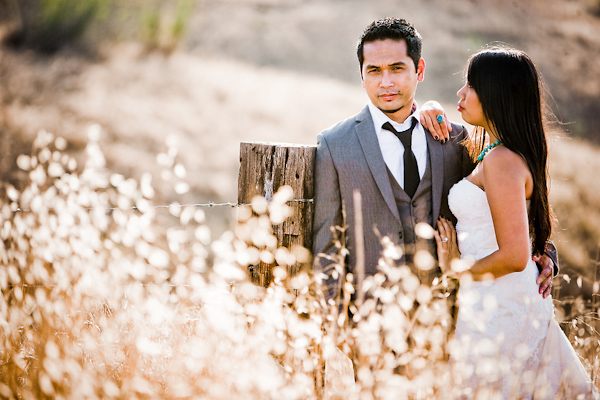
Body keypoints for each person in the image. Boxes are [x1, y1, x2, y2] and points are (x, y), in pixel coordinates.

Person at [311, 17, 556, 306]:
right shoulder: (335, 144)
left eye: (397, 68)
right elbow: (326, 250)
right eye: (374, 70)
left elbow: (511, 204)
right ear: (362, 76)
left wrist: (544, 253)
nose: (386, 82)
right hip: (371, 322)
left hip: (452, 317)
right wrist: (337, 332)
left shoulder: (458, 139)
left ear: (420, 70)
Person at [435, 46, 598, 398]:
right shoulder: (494, 153)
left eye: (471, 85)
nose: (460, 94)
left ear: (496, 93)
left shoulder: (501, 161)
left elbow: (514, 256)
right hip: (493, 299)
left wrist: (454, 269)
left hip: (502, 308)